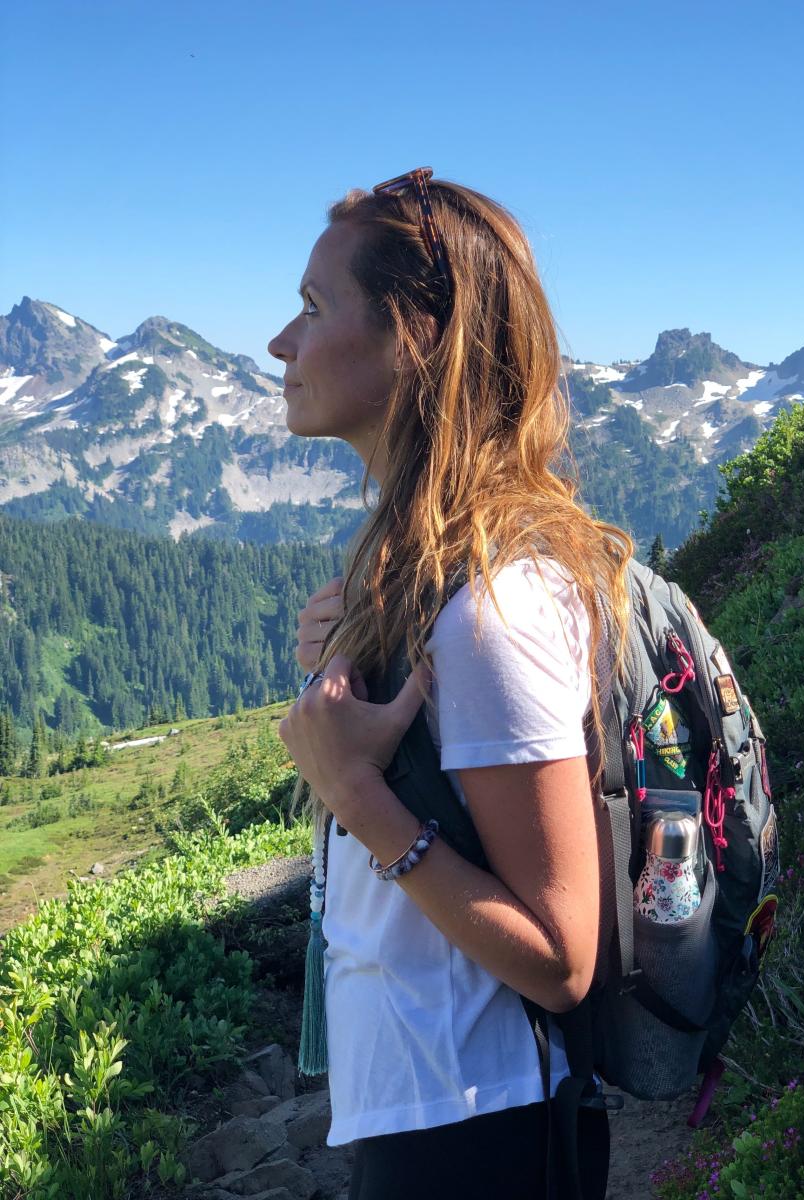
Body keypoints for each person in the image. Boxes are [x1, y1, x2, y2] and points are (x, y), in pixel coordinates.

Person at [269, 168, 634, 1200]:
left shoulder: (494, 609)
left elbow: (562, 956)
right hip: (430, 1104)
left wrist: (357, 795)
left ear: (413, 338)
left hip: (482, 1122)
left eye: (311, 307)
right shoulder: (433, 588)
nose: (280, 345)